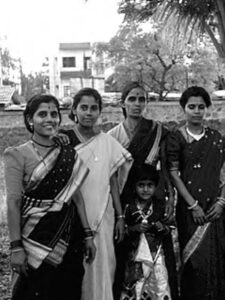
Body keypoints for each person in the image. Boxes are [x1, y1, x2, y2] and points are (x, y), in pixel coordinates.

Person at [4, 94, 96, 300]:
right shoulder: (16, 154)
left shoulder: (67, 152)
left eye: (54, 114)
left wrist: (88, 235)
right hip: (32, 240)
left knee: (67, 290)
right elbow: (13, 202)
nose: (49, 119)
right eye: (42, 114)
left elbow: (76, 196)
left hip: (67, 236)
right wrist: (16, 246)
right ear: (30, 119)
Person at [59, 87, 133, 300]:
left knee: (103, 266)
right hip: (71, 217)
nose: (88, 113)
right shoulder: (63, 140)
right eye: (83, 108)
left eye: (94, 108)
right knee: (74, 269)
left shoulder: (107, 142)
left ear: (100, 111)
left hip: (104, 215)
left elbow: (113, 182)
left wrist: (120, 216)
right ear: (74, 110)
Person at [108, 81, 175, 299]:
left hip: (152, 199)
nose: (137, 104)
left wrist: (170, 197)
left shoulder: (157, 131)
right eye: (132, 99)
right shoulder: (112, 137)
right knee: (125, 257)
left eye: (142, 99)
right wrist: (118, 214)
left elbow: (165, 167)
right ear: (123, 103)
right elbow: (110, 178)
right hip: (124, 203)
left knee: (158, 255)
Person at [166, 86, 225, 300]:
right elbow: (174, 174)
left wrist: (221, 202)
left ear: (207, 109)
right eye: (192, 107)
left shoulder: (216, 138)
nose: (197, 111)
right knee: (195, 263)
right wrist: (193, 205)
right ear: (184, 109)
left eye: (201, 107)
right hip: (190, 211)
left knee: (216, 262)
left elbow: (223, 172)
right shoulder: (176, 139)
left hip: (215, 210)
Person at [120, 163, 178, 300]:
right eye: (141, 185)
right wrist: (133, 229)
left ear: (155, 186)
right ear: (134, 186)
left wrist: (162, 228)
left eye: (150, 185)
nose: (145, 190)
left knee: (159, 286)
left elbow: (172, 227)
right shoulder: (128, 207)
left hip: (157, 255)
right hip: (134, 257)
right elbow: (120, 232)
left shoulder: (160, 206)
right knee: (136, 288)